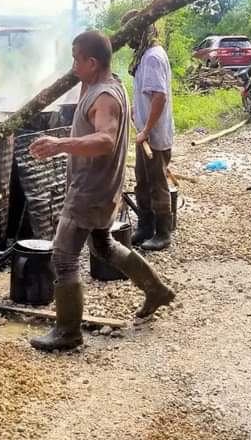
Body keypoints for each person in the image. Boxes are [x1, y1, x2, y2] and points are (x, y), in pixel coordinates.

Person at [28, 30, 175, 352]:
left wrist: (60, 144)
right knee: (103, 245)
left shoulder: (104, 97)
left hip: (89, 189)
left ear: (92, 63)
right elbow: (90, 90)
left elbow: (106, 140)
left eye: (76, 59)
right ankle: (156, 289)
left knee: (64, 256)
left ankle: (68, 332)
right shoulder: (107, 83)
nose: (72, 66)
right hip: (105, 184)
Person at [120, 10, 175, 250]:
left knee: (157, 183)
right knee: (142, 182)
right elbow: (148, 93)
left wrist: (147, 130)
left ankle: (163, 233)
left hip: (153, 135)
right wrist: (135, 108)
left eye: (130, 33)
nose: (128, 40)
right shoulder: (144, 56)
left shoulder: (152, 56)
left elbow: (159, 97)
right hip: (145, 133)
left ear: (140, 31)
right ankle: (145, 228)